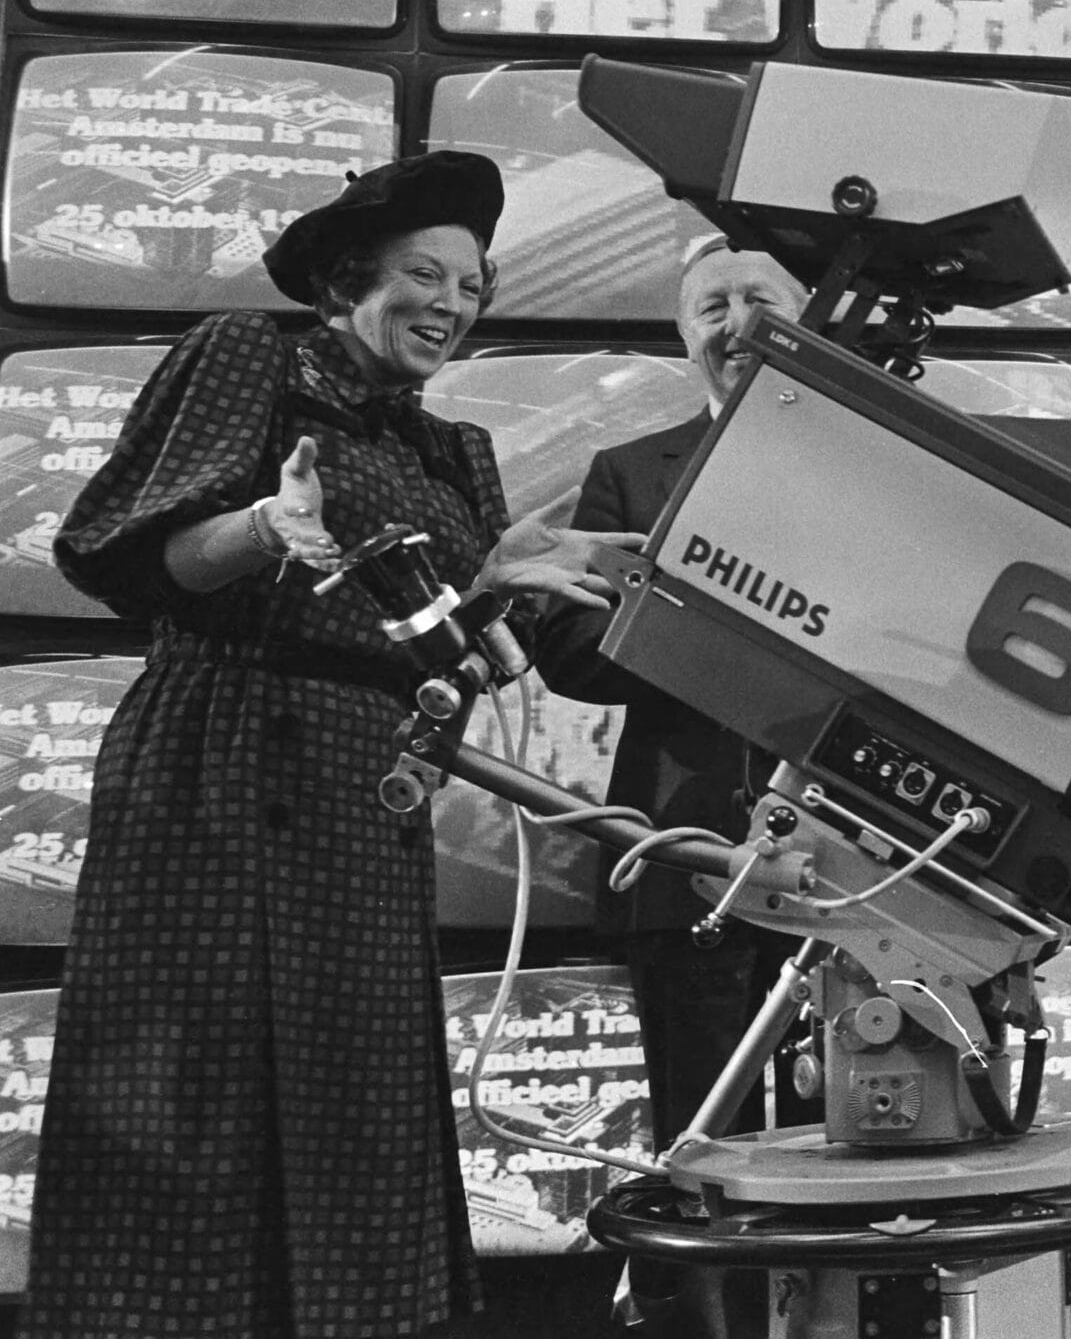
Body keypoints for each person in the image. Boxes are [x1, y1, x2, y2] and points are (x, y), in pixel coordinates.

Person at [24, 151, 637, 1339]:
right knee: (193, 1094)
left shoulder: (452, 450)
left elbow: (445, 653)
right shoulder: (250, 357)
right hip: (219, 756)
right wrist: (265, 523)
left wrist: (495, 582)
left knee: (353, 1101)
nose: (452, 303)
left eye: (473, 285)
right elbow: (130, 558)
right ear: (350, 276)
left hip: (366, 788)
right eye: (426, 273)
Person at [533, 236, 813, 1335]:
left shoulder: (883, 468)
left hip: (864, 861)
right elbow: (567, 648)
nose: (735, 321)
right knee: (707, 1152)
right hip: (684, 854)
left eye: (759, 298)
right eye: (711, 305)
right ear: (682, 334)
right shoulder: (630, 470)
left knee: (868, 1139)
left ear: (807, 317)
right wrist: (696, 616)